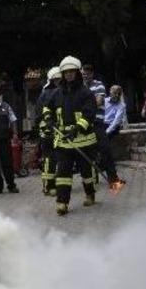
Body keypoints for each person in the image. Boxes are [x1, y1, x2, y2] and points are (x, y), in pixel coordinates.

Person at [44, 56, 99, 216]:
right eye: (66, 72)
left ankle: (90, 194)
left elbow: (89, 114)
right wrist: (48, 118)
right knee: (63, 173)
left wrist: (76, 129)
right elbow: (47, 108)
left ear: (77, 73)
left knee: (86, 172)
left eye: (71, 72)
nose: (68, 75)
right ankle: (62, 203)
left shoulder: (85, 93)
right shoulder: (56, 93)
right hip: (63, 140)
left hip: (83, 140)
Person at [38, 67, 61, 195]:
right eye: (56, 79)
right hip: (48, 131)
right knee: (50, 159)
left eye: (59, 79)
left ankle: (54, 184)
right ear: (51, 80)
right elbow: (40, 115)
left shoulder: (59, 92)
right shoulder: (47, 94)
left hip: (58, 131)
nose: (58, 81)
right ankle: (48, 186)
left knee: (56, 159)